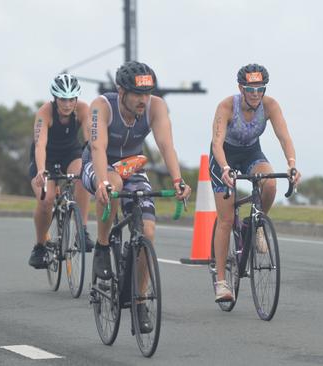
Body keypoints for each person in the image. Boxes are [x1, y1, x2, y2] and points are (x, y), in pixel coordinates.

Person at [82, 61, 191, 332]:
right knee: (114, 184)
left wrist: (178, 180)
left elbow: (166, 145)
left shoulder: (156, 107)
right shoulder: (101, 106)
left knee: (149, 231)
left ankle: (140, 299)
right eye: (137, 94)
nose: (144, 100)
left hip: (133, 166)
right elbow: (97, 147)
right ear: (121, 91)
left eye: (147, 93)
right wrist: (103, 182)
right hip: (99, 163)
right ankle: (103, 245)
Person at [210, 63, 301, 302]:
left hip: (251, 152)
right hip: (224, 156)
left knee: (270, 184)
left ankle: (257, 223)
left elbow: (284, 137)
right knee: (226, 219)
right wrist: (226, 169)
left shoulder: (270, 106)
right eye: (250, 89)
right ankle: (221, 283)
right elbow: (217, 143)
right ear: (240, 87)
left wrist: (291, 164)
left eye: (260, 89)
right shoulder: (226, 106)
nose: (255, 94)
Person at [28, 73, 95, 269]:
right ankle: (40, 245)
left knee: (83, 177)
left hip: (70, 153)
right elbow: (40, 144)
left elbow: (90, 139)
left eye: (71, 99)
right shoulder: (45, 112)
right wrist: (41, 170)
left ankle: (81, 231)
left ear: (77, 98)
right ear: (55, 98)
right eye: (63, 99)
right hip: (45, 156)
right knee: (46, 198)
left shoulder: (83, 109)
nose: (67, 104)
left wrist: (95, 163)